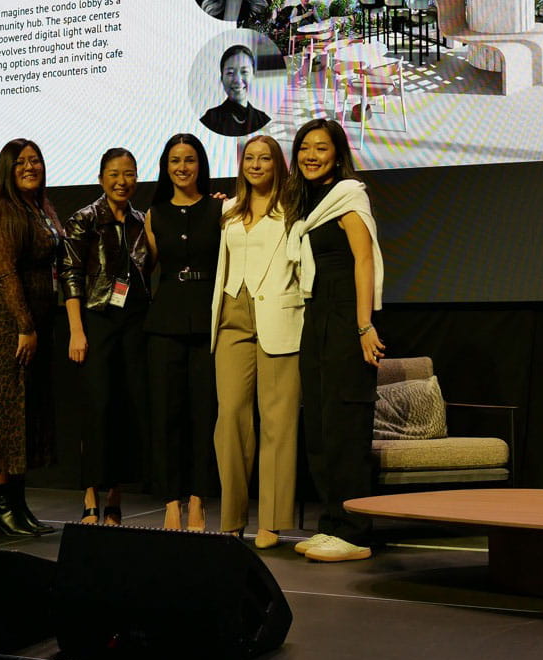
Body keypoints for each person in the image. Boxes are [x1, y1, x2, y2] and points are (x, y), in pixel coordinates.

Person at [284, 119, 385, 563]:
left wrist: (364, 326)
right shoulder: (307, 203)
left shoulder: (348, 195)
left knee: (346, 425)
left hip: (346, 315)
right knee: (321, 426)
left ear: (337, 153)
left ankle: (355, 531)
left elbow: (364, 261)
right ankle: (331, 524)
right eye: (304, 147)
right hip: (317, 315)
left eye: (320, 148)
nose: (310, 155)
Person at [0, 138, 62, 536]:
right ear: (7, 169)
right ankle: (1, 509)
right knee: (1, 417)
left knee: (21, 416)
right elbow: (4, 272)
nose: (30, 167)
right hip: (5, 327)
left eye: (35, 160)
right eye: (20, 162)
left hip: (32, 325)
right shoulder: (3, 210)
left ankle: (17, 508)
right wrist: (24, 325)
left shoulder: (41, 207)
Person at [211, 136, 302, 548]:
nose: (256, 164)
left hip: (279, 318)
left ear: (278, 164)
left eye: (265, 158)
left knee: (278, 422)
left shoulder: (293, 210)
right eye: (250, 157)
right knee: (230, 417)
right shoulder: (228, 209)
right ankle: (232, 517)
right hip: (232, 316)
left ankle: (272, 519)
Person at [61, 148, 150, 525]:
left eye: (129, 173)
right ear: (101, 178)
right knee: (96, 411)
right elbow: (70, 274)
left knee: (124, 410)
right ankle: (90, 499)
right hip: (95, 322)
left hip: (133, 322)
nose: (122, 181)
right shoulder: (83, 219)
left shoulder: (142, 221)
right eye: (114, 174)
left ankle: (114, 499)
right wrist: (76, 331)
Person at [144, 134, 222, 531]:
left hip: (209, 324)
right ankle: (171, 501)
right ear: (166, 166)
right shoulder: (154, 213)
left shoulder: (219, 209)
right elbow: (145, 269)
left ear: (200, 165)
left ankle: (198, 501)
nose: (182, 167)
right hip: (165, 324)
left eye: (189, 159)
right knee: (167, 416)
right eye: (175, 160)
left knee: (205, 415)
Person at [200, 44, 271, 137]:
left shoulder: (262, 120)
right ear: (222, 78)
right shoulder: (211, 119)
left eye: (244, 72)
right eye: (230, 73)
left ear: (253, 75)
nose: (237, 80)